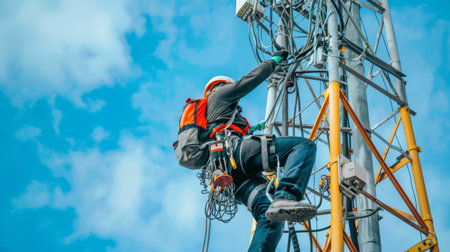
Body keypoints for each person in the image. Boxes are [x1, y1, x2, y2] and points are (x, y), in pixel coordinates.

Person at [203, 50, 317, 252]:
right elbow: (247, 82)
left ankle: (279, 205)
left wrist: (254, 128)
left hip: (231, 177)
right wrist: (273, 63)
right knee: (303, 146)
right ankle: (286, 196)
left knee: (270, 218)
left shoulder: (215, 114)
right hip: (238, 154)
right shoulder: (219, 94)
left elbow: (230, 130)